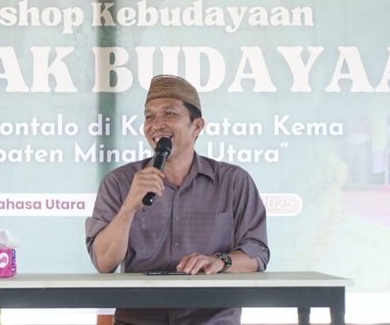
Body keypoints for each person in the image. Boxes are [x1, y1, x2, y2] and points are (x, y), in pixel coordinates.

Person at [85, 74, 270, 325]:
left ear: (197, 127)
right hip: (139, 320)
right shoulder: (119, 182)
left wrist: (219, 262)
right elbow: (104, 262)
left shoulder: (233, 181)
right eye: (149, 116)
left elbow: (257, 253)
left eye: (169, 113)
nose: (156, 124)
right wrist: (129, 207)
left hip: (211, 320)